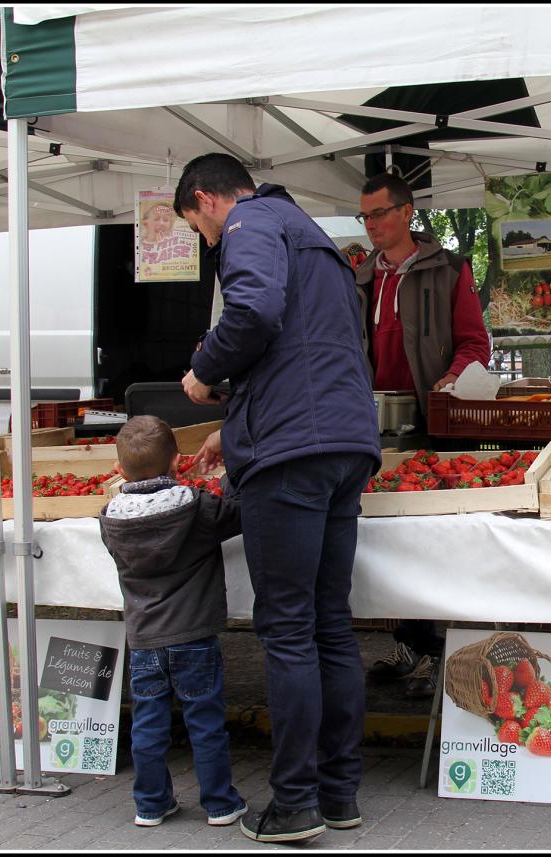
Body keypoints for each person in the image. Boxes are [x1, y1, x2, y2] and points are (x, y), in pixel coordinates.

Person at [175, 153, 381, 843]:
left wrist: (206, 373)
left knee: (288, 628)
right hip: (344, 441)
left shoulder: (249, 223)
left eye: (199, 228)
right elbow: (307, 351)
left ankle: (293, 803)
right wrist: (234, 431)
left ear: (207, 200)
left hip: (293, 456)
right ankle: (338, 793)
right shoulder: (312, 233)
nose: (209, 243)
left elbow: (257, 310)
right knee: (329, 622)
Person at [351, 172, 490, 701]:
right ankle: (410, 642)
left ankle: (445, 652)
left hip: (434, 426)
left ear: (407, 213)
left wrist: (452, 378)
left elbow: (475, 343)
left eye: (380, 214)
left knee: (434, 541)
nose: (372, 225)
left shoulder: (449, 270)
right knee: (389, 539)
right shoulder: (360, 277)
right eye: (365, 216)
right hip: (372, 425)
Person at [98, 415, 248, 830]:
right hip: (195, 636)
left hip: (144, 640)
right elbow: (237, 512)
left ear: (120, 470)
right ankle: (220, 804)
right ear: (177, 462)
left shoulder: (109, 518)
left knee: (148, 726)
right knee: (205, 724)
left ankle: (150, 803)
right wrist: (230, 470)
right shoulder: (197, 508)